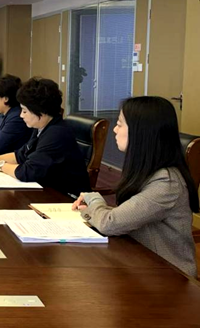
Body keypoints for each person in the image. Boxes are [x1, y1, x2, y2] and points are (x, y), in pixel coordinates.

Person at [72, 97, 198, 278]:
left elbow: (110, 223)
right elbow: (128, 215)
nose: (114, 130)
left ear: (141, 132)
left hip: (169, 277)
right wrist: (95, 207)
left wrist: (94, 200)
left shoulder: (167, 183)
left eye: (120, 124)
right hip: (140, 262)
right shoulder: (147, 170)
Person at [0, 77, 89, 196]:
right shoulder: (41, 127)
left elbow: (28, 171)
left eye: (24, 111)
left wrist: (1, 166)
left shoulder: (56, 133)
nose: (21, 115)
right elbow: (20, 155)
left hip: (67, 197)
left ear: (41, 112)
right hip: (47, 188)